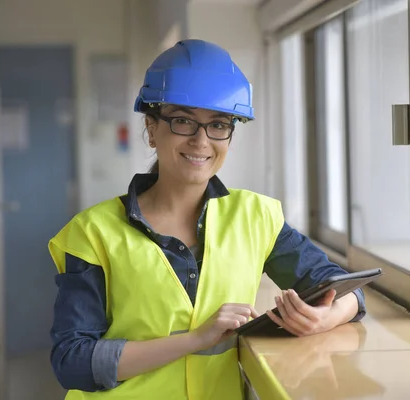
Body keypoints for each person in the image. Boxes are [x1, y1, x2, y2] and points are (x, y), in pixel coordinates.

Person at [48, 39, 366, 400]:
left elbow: (339, 286)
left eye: (218, 124)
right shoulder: (93, 232)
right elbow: (73, 361)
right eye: (183, 121)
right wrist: (196, 339)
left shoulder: (256, 216)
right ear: (152, 129)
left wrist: (327, 317)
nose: (201, 140)